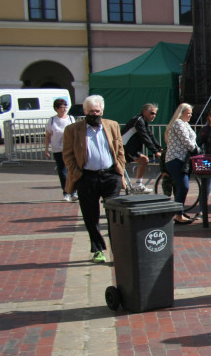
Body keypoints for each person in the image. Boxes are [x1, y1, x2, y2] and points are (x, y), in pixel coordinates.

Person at [62, 95, 126, 262]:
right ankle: (98, 249)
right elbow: (67, 155)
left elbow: (119, 149)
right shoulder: (72, 130)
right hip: (87, 177)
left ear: (102, 111)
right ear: (84, 111)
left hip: (110, 175)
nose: (94, 114)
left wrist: (120, 168)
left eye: (97, 111)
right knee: (91, 215)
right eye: (90, 112)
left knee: (114, 214)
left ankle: (118, 250)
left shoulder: (112, 125)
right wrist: (77, 173)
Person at [163, 103, 197, 225]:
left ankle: (180, 212)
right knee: (183, 186)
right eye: (188, 113)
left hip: (183, 160)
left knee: (182, 187)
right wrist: (196, 149)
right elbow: (186, 141)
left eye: (191, 114)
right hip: (175, 159)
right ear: (181, 112)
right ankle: (178, 215)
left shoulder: (185, 124)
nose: (190, 116)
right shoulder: (178, 123)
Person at [121, 103, 162, 192]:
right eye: (152, 113)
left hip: (131, 147)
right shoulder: (139, 120)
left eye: (155, 114)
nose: (154, 115)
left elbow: (150, 135)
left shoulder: (143, 121)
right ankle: (138, 185)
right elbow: (145, 137)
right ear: (144, 112)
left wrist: (159, 148)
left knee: (141, 161)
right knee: (144, 160)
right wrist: (155, 152)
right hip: (125, 147)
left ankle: (129, 184)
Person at [44, 97, 76, 201]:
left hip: (70, 149)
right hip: (57, 149)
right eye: (62, 107)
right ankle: (66, 193)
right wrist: (46, 149)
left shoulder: (71, 119)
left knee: (72, 171)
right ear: (57, 108)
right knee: (62, 172)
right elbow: (48, 135)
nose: (64, 109)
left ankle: (74, 192)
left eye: (66, 107)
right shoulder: (52, 120)